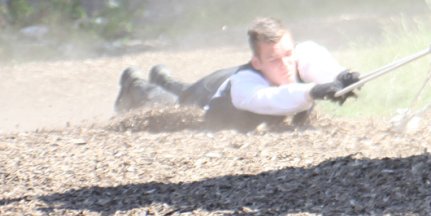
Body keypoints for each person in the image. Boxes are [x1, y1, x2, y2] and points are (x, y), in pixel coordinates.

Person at [116, 17, 359, 132]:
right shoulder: (245, 84)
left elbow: (314, 58)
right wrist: (314, 90)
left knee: (176, 86)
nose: (285, 64)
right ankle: (134, 84)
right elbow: (269, 100)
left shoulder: (298, 55)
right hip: (211, 94)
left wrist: (340, 77)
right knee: (176, 103)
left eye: (288, 54)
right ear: (257, 62)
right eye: (273, 59)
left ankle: (162, 77)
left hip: (225, 81)